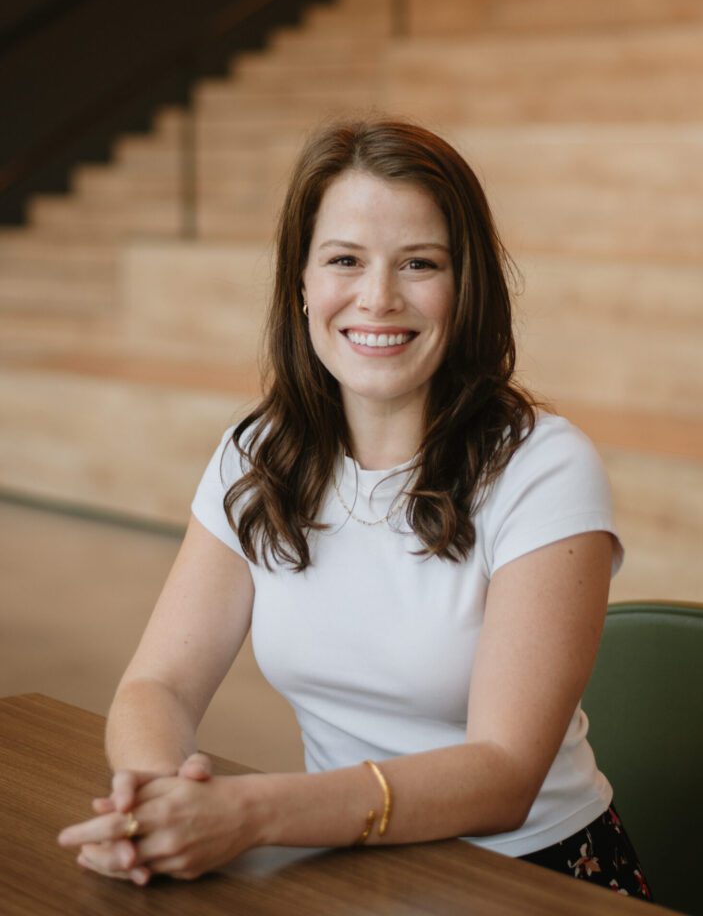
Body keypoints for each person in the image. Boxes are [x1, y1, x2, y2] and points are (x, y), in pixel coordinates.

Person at [58, 118, 653, 900]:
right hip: (346, 864)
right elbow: (158, 685)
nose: (378, 298)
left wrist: (254, 812)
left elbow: (504, 775)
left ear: (465, 286)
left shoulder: (544, 466)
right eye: (344, 260)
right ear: (301, 281)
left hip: (532, 875)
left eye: (419, 263)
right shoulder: (259, 451)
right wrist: (155, 808)